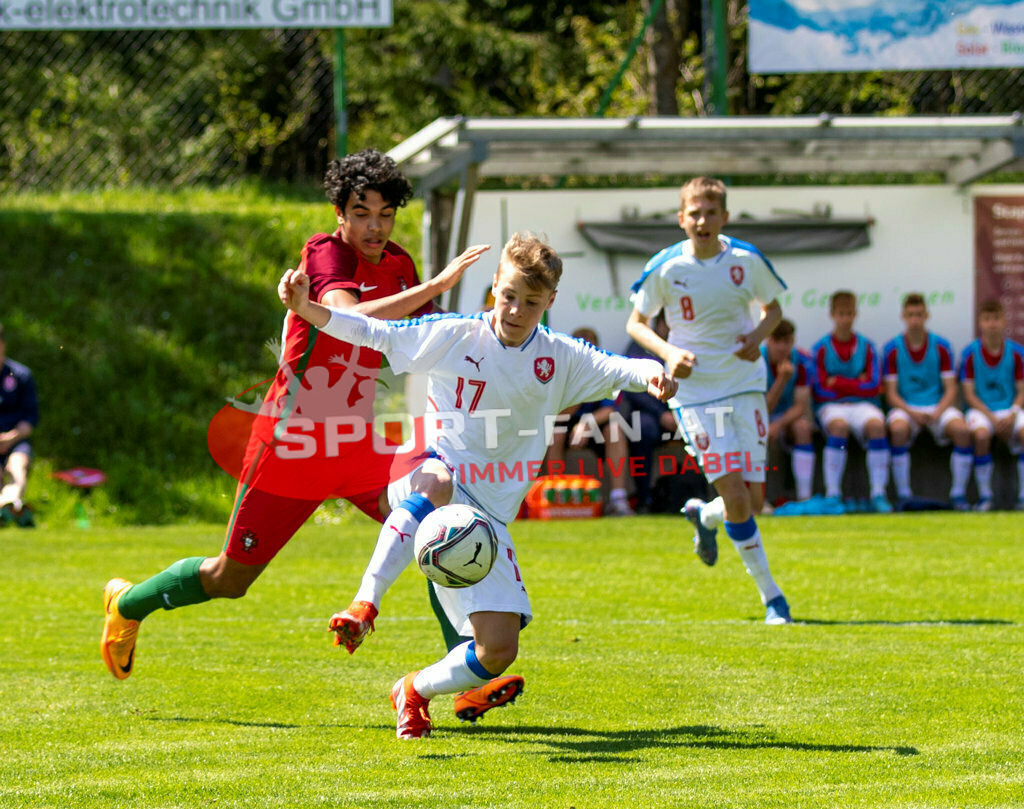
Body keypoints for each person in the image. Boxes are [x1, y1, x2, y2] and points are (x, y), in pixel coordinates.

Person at [101, 150, 493, 708]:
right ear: (340, 212)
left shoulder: (400, 266)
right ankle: (128, 605)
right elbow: (350, 317)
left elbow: (410, 344)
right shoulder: (324, 252)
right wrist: (438, 286)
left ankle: (469, 676)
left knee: (436, 529)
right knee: (229, 579)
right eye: (361, 212)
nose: (374, 226)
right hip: (292, 446)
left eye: (385, 214)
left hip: (357, 445)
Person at [280, 232, 677, 738]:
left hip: (486, 515)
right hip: (424, 467)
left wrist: (656, 373)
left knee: (497, 650)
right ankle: (365, 603)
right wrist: (307, 309)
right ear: (494, 286)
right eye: (508, 295)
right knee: (439, 480)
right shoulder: (455, 333)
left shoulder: (559, 358)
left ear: (549, 302)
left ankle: (414, 689)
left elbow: (622, 367)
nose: (515, 310)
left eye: (530, 302)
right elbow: (373, 332)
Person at [625, 176, 793, 625]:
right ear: (682, 219)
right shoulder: (664, 267)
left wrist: (757, 337)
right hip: (696, 394)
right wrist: (667, 352)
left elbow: (773, 309)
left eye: (710, 212)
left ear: (724, 217)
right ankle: (773, 597)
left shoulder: (745, 260)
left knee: (752, 503)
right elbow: (637, 323)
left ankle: (705, 518)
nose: (702, 220)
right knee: (737, 494)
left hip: (745, 385)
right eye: (694, 213)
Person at [882, 293, 972, 509]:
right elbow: (891, 394)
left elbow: (951, 389)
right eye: (911, 315)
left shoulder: (941, 346)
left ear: (927, 315)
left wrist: (937, 413)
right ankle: (904, 494)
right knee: (898, 430)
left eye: (919, 315)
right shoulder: (892, 348)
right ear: (903, 316)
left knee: (962, 431)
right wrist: (912, 413)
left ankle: (958, 496)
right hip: (906, 407)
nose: (915, 320)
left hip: (937, 407)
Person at [810, 290, 891, 514]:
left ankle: (878, 493)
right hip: (832, 406)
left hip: (862, 404)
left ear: (855, 314)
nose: (845, 319)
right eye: (840, 314)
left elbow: (874, 385)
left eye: (849, 314)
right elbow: (819, 391)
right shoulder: (821, 348)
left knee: (876, 425)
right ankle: (833, 493)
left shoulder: (867, 346)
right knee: (839, 426)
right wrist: (857, 382)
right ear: (832, 315)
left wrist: (837, 382)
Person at [544, 327, 634, 516]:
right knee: (556, 433)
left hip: (594, 426)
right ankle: (556, 495)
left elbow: (610, 409)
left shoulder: (605, 372)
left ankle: (619, 499)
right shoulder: (559, 372)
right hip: (565, 423)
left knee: (615, 428)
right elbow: (557, 413)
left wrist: (586, 424)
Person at [958, 299, 1024, 511]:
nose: (992, 323)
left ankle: (1022, 496)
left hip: (1010, 409)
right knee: (981, 435)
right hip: (982, 411)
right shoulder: (970, 353)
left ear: (1004, 320)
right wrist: (992, 417)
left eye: (996, 318)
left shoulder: (1016, 353)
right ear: (980, 323)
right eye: (987, 319)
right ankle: (986, 496)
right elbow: (969, 395)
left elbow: (1022, 390)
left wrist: (1013, 413)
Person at [620, 312, 682, 513]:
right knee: (642, 429)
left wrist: (680, 413)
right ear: (660, 323)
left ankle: (706, 495)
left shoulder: (686, 346)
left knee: (711, 426)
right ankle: (644, 497)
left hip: (684, 411)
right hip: (651, 413)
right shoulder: (640, 346)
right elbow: (630, 386)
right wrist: (660, 413)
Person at [762, 318, 815, 504]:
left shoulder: (802, 360)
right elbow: (763, 407)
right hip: (758, 416)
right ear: (769, 340)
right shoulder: (756, 361)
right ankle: (761, 498)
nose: (784, 348)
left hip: (785, 417)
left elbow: (800, 406)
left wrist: (778, 424)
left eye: (788, 342)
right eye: (779, 342)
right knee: (758, 432)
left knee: (802, 428)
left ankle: (804, 497)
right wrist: (782, 380)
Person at [0, 322, 39, 528]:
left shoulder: (20, 375)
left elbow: (31, 419)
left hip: (16, 439)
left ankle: (9, 504)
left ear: (3, 345)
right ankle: (15, 511)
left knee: (17, 466)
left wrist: (10, 438)